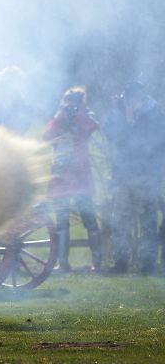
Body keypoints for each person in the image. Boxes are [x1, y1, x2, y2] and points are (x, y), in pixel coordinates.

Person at [104, 81, 165, 274]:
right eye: (127, 98)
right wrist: (117, 113)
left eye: (133, 97)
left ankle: (147, 263)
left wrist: (130, 120)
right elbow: (110, 134)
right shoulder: (121, 113)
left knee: (147, 220)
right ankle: (121, 261)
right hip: (123, 175)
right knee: (121, 219)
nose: (129, 102)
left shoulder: (155, 115)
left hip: (146, 175)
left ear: (141, 96)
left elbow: (149, 143)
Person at [43, 87, 102, 272]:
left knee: (89, 219)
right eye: (67, 101)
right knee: (62, 222)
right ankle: (63, 263)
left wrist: (78, 116)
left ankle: (97, 263)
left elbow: (92, 127)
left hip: (79, 175)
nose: (69, 105)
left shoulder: (86, 117)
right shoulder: (59, 118)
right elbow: (46, 137)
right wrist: (61, 118)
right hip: (61, 175)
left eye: (73, 101)